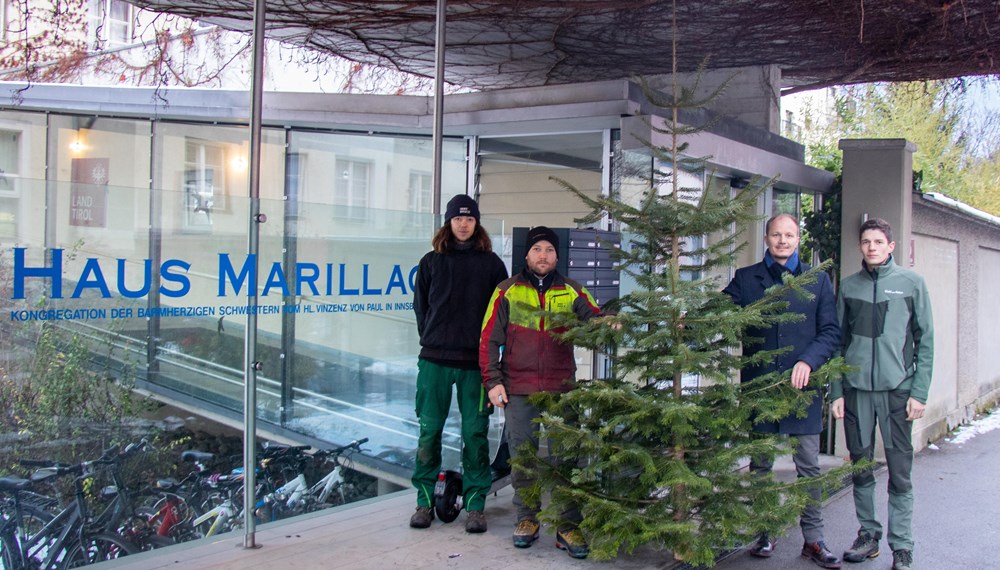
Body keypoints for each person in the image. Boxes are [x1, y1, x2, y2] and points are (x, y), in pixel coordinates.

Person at [723, 214, 842, 569]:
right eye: (777, 235)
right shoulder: (746, 279)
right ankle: (764, 531)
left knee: (808, 465)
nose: (783, 241)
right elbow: (719, 311)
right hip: (760, 387)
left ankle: (814, 539)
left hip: (802, 388)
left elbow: (830, 333)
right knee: (761, 465)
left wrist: (807, 361)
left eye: (789, 235)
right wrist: (687, 318)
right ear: (766, 238)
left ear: (797, 239)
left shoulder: (817, 280)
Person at [479, 226, 603, 559]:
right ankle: (527, 519)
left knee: (566, 458)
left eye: (549, 249)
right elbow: (489, 339)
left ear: (557, 256)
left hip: (562, 386)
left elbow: (595, 318)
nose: (543, 255)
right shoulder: (507, 291)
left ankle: (567, 525)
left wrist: (608, 322)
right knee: (524, 456)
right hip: (519, 388)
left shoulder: (571, 290)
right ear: (527, 255)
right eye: (538, 249)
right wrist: (493, 382)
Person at [831, 218, 933, 570]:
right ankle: (868, 535)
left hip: (897, 395)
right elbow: (837, 343)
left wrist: (918, 393)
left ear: (891, 246)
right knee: (860, 468)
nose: (871, 247)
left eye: (878, 241)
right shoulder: (848, 287)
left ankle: (901, 546)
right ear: (860, 247)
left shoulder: (912, 284)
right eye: (865, 241)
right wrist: (835, 392)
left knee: (900, 474)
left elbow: (926, 341)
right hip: (856, 393)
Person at [409, 194, 508, 534]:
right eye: (457, 219)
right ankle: (423, 502)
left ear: (476, 223)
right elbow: (421, 308)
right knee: (429, 431)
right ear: (448, 223)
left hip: (474, 365)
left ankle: (476, 505)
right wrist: (434, 339)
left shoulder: (492, 264)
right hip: (434, 362)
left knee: (474, 434)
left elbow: (500, 316)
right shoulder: (431, 261)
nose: (463, 224)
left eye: (469, 219)